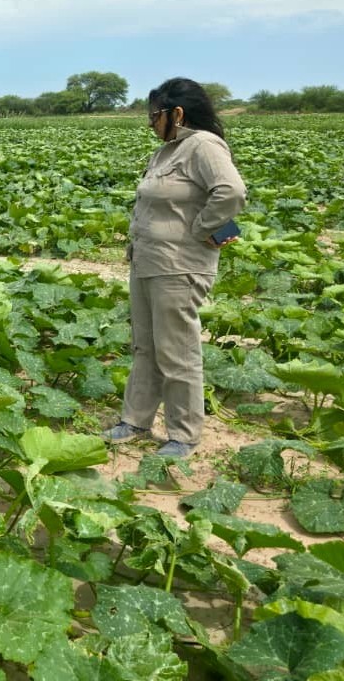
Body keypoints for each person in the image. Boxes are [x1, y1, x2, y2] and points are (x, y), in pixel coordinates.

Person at [104, 78, 246, 457]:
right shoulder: (166, 152)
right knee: (145, 345)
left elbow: (231, 192)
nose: (151, 123)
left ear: (176, 113)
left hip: (178, 267)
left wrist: (201, 230)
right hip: (148, 262)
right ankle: (135, 419)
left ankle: (183, 434)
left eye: (155, 116)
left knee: (176, 349)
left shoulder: (203, 146)